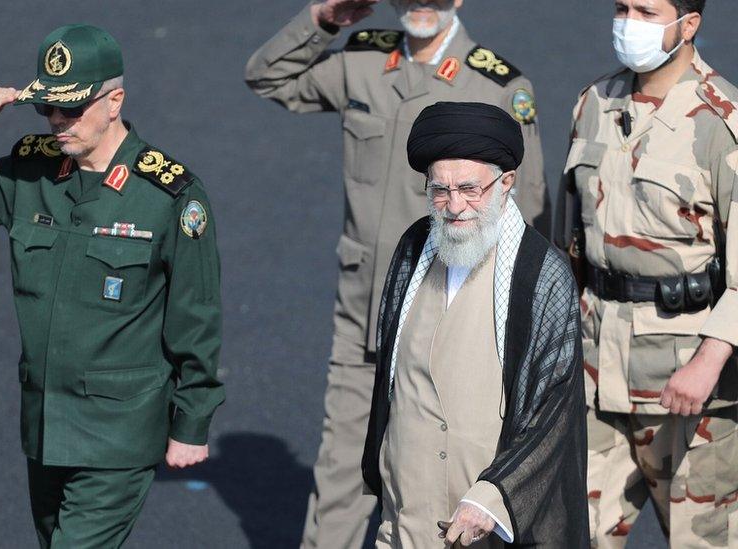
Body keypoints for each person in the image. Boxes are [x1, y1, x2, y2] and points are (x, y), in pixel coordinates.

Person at [244, 2, 548, 545]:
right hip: (366, 315)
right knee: (339, 472)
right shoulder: (364, 63)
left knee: (442, 475)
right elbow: (268, 77)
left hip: (450, 327)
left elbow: (527, 214)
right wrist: (327, 17)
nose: (420, 5)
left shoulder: (495, 84)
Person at [0, 24, 225, 548]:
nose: (58, 122)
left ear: (114, 101)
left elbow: (195, 315)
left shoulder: (168, 195)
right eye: (47, 109)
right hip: (44, 423)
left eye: (72, 109)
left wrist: (191, 422)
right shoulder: (30, 173)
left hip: (118, 433)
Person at [362, 101, 588, 548]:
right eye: (440, 191)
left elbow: (554, 407)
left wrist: (492, 496)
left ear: (505, 183)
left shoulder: (540, 273)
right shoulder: (412, 249)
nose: (454, 206)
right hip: (405, 516)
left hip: (486, 521)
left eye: (469, 189)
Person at [556, 0, 738, 546]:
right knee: (567, 534)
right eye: (622, 7)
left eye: (646, 11)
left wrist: (709, 362)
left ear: (689, 25)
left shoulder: (721, 119)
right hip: (594, 369)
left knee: (698, 540)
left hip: (687, 386)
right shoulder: (594, 102)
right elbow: (569, 243)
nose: (628, 22)